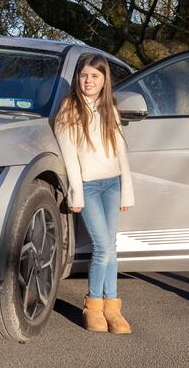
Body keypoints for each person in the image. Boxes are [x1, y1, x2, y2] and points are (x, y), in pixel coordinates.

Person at [54, 53, 135, 334]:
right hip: (88, 186)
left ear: (104, 80)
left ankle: (113, 307)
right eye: (84, 75)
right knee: (102, 248)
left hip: (112, 183)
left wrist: (127, 191)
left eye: (95, 76)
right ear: (78, 78)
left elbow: (120, 150)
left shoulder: (109, 106)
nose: (88, 81)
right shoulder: (68, 109)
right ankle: (93, 307)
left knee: (111, 246)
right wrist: (76, 193)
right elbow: (69, 156)